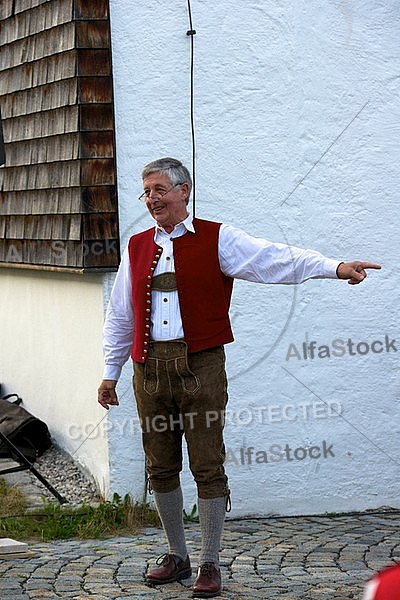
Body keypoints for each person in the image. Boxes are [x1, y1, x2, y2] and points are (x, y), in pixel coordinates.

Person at [98, 157, 381, 598]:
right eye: (147, 191)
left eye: (159, 190)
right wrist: (109, 373)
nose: (152, 198)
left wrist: (335, 266)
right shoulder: (136, 247)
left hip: (201, 368)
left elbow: (274, 260)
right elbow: (120, 315)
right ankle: (177, 554)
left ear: (183, 191)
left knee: (207, 463)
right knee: (160, 463)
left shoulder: (217, 238)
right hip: (148, 369)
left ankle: (209, 561)